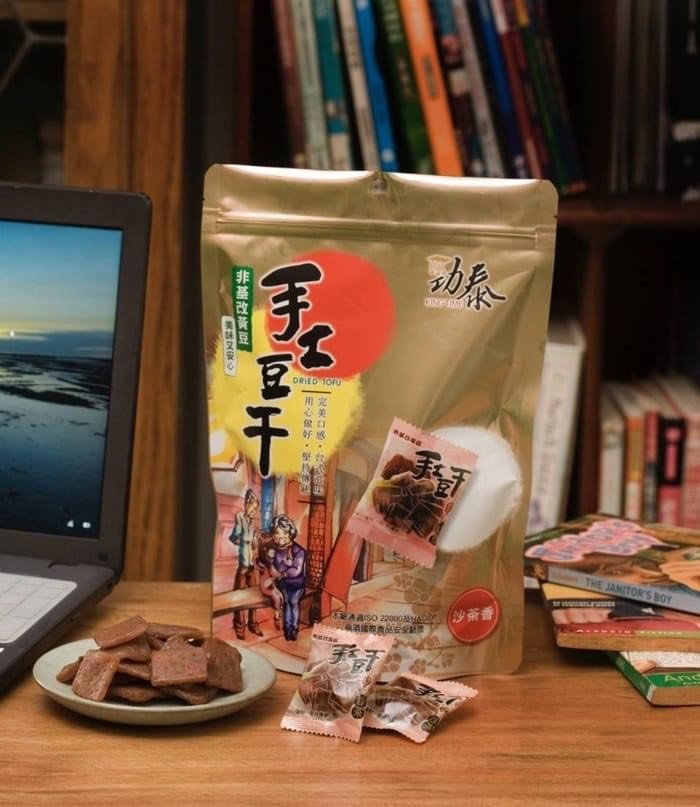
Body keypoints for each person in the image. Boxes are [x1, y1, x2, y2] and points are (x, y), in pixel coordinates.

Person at [229, 488, 262, 640]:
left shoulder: (252, 523)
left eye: (256, 509)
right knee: (239, 598)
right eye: (252, 508)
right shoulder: (240, 517)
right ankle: (239, 626)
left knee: (254, 596)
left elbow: (254, 545)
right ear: (246, 505)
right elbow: (233, 537)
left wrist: (255, 540)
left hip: (251, 566)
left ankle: (253, 624)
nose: (254, 512)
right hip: (243, 566)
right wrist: (243, 543)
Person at [269, 514, 307, 641]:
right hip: (283, 584)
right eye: (277, 534)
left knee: (293, 602)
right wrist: (270, 560)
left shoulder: (299, 550)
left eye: (284, 534)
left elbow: (296, 570)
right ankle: (287, 628)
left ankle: (293, 628)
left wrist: (283, 573)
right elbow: (274, 567)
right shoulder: (275, 550)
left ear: (290, 533)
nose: (281, 538)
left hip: (296, 584)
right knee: (286, 603)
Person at [256, 531, 284, 632]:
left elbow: (275, 573)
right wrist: (274, 578)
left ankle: (278, 613)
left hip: (271, 585)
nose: (272, 554)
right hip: (266, 586)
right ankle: (277, 616)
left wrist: (279, 575)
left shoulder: (270, 563)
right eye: (270, 552)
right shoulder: (263, 565)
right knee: (276, 597)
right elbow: (265, 583)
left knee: (280, 595)